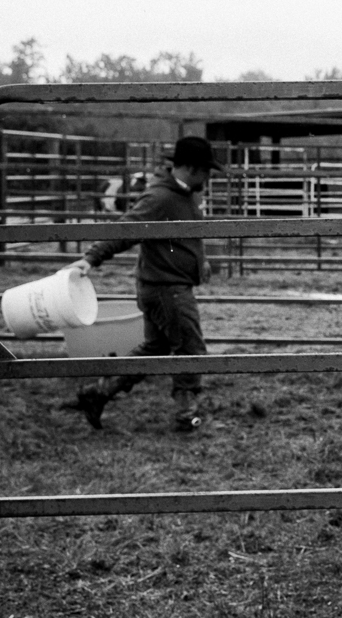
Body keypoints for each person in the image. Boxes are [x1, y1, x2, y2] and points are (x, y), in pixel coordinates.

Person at [62, 136, 223, 433]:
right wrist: (92, 257)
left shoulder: (182, 195)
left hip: (161, 285)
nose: (209, 177)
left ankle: (99, 392)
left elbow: (179, 235)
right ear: (190, 168)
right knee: (190, 348)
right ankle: (187, 414)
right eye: (206, 170)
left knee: (155, 348)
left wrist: (198, 259)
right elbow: (128, 228)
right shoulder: (160, 198)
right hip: (168, 289)